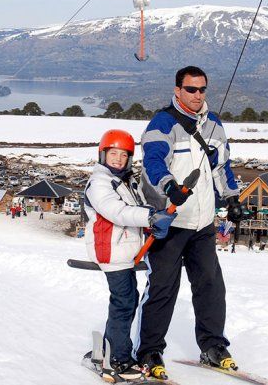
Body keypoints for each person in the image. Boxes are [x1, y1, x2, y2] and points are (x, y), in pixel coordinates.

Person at [135, 66, 246, 378]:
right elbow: (153, 161)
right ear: (178, 90)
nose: (198, 95)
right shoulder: (163, 122)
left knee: (210, 286)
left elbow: (222, 166)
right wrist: (169, 186)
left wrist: (232, 198)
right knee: (162, 289)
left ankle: (213, 346)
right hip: (170, 222)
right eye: (191, 89)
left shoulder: (214, 124)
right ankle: (149, 351)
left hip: (202, 223)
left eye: (202, 89)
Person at [83, 129, 176, 383]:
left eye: (123, 155)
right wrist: (149, 217)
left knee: (127, 300)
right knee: (124, 302)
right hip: (110, 250)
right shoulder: (100, 183)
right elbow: (116, 211)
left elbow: (139, 207)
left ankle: (109, 349)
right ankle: (117, 359)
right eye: (113, 153)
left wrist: (155, 218)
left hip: (125, 251)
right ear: (103, 155)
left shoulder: (127, 181)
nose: (118, 159)